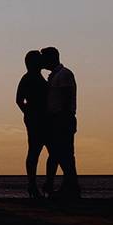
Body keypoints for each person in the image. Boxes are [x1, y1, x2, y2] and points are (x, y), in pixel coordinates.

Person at [15, 50, 54, 198]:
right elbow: (19, 99)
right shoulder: (27, 78)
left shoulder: (38, 77)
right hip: (36, 120)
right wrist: (29, 112)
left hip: (44, 119)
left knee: (50, 151)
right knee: (35, 151)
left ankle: (47, 184)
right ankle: (33, 185)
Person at [42, 46, 80, 198]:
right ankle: (67, 185)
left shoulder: (64, 75)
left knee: (64, 154)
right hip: (57, 118)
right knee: (59, 154)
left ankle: (69, 186)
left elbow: (67, 96)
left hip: (62, 118)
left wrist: (61, 118)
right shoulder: (55, 76)